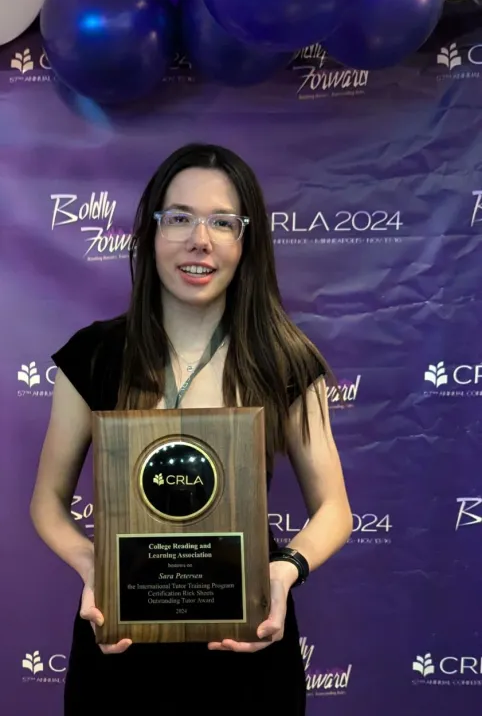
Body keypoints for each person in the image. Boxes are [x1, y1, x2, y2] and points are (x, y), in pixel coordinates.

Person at [30, 143, 352, 715]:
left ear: (245, 241)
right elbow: (47, 503)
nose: (199, 240)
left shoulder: (285, 359)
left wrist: (284, 573)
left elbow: (333, 508)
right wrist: (92, 565)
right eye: (178, 217)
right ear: (150, 232)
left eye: (222, 222)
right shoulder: (97, 355)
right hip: (121, 648)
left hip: (248, 647)